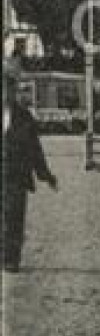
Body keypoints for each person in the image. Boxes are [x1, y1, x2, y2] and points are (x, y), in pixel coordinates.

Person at [2, 66, 58, 273]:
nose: (5, 94)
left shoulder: (25, 117)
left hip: (16, 176)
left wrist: (46, 175)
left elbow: (35, 149)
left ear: (12, 91)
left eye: (8, 89)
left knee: (14, 218)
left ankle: (10, 259)